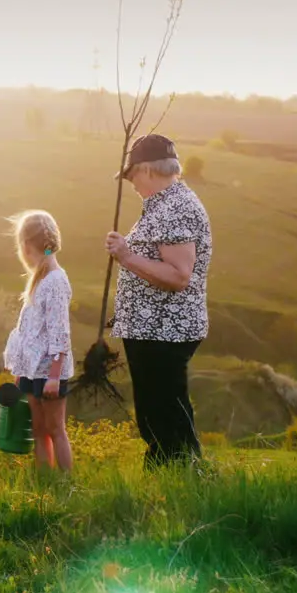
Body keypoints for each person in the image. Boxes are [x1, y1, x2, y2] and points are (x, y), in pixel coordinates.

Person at [103, 133, 213, 469]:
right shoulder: (167, 204)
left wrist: (126, 257)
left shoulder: (175, 208)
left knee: (165, 415)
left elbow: (179, 275)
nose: (133, 183)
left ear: (147, 170)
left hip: (164, 331)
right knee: (160, 412)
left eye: (133, 174)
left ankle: (181, 478)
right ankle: (176, 477)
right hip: (155, 329)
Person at [2, 210, 74, 472]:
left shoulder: (55, 280)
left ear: (25, 245)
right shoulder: (39, 278)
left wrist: (55, 375)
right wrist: (21, 372)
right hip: (32, 368)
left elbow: (59, 331)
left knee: (56, 429)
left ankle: (67, 485)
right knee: (39, 430)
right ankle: (46, 484)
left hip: (49, 369)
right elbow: (29, 330)